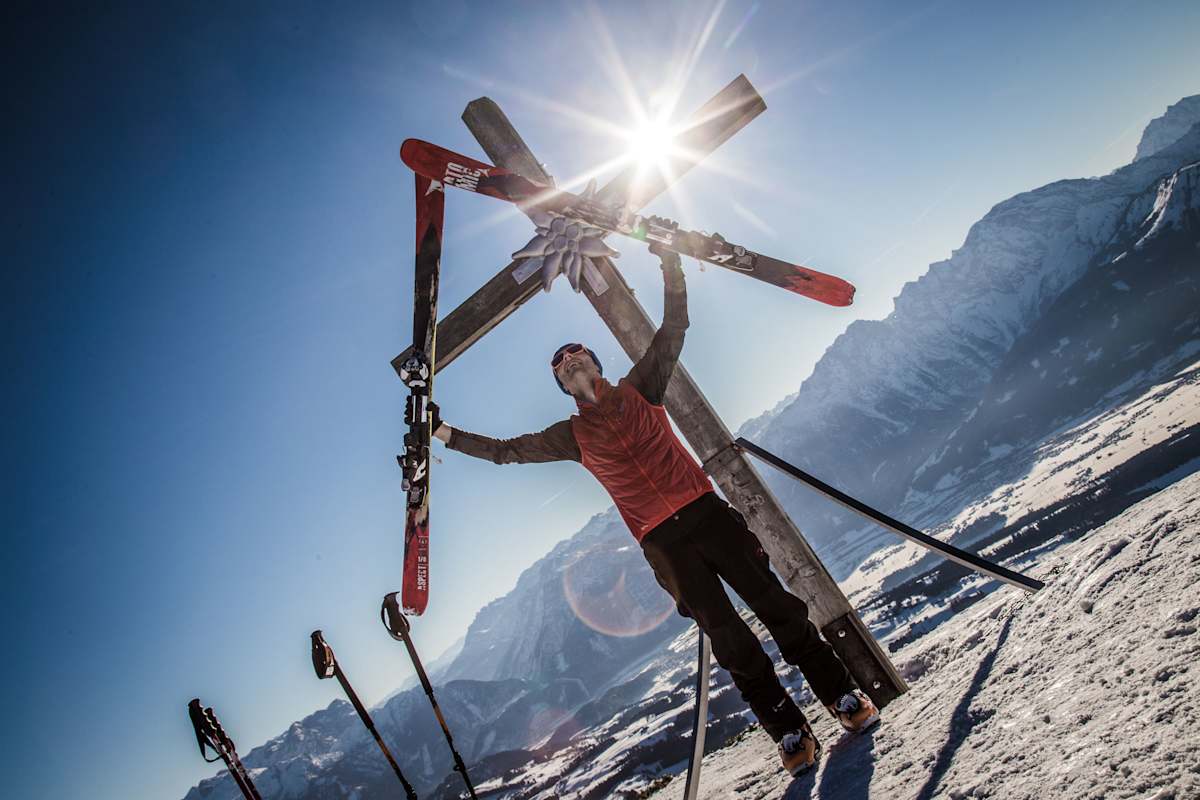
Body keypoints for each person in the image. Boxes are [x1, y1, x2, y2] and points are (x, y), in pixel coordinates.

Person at [430, 244, 879, 776]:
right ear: (561, 385)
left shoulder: (641, 388)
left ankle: (841, 697)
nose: (571, 362)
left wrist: (671, 262)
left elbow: (674, 327)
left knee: (776, 606)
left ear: (597, 364)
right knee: (730, 639)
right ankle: (788, 732)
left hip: (708, 514)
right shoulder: (571, 435)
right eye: (562, 365)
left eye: (579, 355)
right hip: (663, 544)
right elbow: (506, 451)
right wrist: (444, 433)